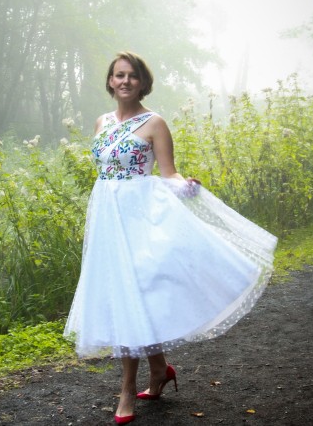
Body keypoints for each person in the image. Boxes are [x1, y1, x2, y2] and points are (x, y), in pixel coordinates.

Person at [64, 51, 277, 424]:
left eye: (132, 76)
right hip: (108, 217)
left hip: (142, 215)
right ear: (110, 82)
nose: (125, 81)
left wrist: (185, 186)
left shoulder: (155, 123)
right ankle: (160, 369)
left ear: (143, 82)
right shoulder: (101, 121)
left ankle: (128, 390)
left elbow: (168, 173)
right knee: (126, 294)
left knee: (136, 293)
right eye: (119, 75)